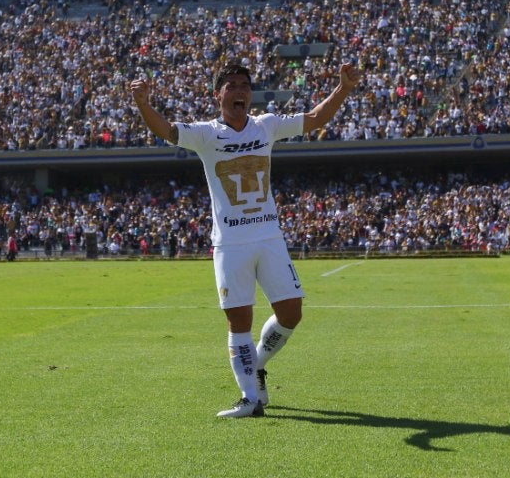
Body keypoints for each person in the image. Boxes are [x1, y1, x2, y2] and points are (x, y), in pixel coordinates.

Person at [130, 61, 361, 418]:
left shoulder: (266, 125)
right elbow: (167, 131)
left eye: (244, 85)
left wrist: (343, 89)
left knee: (291, 313)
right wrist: (144, 103)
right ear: (218, 94)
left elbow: (314, 118)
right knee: (239, 321)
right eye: (232, 86)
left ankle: (258, 365)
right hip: (231, 243)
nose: (239, 91)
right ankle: (250, 398)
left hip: (269, 238)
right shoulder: (206, 134)